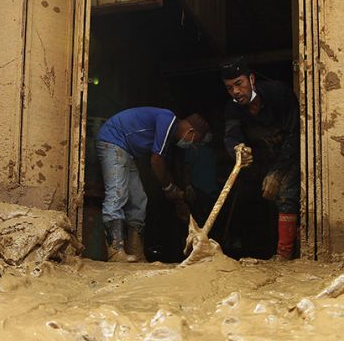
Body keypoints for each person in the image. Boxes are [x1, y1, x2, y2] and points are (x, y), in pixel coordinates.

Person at [96, 107, 208, 262]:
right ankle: (115, 251)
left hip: (126, 150)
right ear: (191, 132)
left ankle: (136, 251)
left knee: (139, 199)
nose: (190, 144)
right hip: (112, 140)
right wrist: (169, 188)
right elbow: (157, 161)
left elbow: (164, 166)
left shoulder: (169, 132)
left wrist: (174, 193)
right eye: (194, 141)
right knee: (117, 193)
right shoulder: (168, 120)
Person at [221, 57, 300, 259]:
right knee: (257, 197)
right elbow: (231, 135)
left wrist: (277, 173)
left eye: (239, 83)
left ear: (251, 79)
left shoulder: (278, 93)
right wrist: (237, 149)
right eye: (229, 88)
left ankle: (285, 255)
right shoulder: (232, 108)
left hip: (291, 154)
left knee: (286, 192)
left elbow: (295, 134)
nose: (236, 91)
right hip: (263, 158)